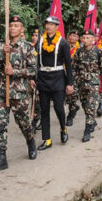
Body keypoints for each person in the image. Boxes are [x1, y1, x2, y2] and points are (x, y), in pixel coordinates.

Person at [0, 15, 37, 174]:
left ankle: (30, 141)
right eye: (11, 25)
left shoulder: (28, 47)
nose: (13, 28)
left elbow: (33, 70)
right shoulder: (1, 45)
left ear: (22, 29)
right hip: (1, 90)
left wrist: (14, 71)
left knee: (23, 122)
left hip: (19, 92)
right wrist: (2, 53)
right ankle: (1, 158)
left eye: (16, 25)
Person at [35, 16, 74, 150]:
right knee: (44, 110)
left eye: (52, 24)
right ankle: (47, 139)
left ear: (57, 27)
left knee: (58, 108)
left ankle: (63, 129)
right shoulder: (40, 41)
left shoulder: (63, 43)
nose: (48, 26)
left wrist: (70, 83)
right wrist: (34, 79)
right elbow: (35, 62)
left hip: (58, 78)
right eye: (47, 24)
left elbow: (68, 65)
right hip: (43, 78)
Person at [72, 30, 102, 142]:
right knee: (84, 105)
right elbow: (74, 68)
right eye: (84, 38)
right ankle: (92, 122)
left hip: (93, 84)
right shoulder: (79, 52)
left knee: (91, 106)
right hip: (81, 83)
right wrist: (73, 82)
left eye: (88, 38)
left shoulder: (98, 52)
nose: (85, 40)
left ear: (93, 39)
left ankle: (87, 131)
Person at [66, 30, 80, 126]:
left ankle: (70, 116)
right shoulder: (63, 46)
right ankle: (74, 107)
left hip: (75, 76)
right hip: (63, 74)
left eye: (74, 36)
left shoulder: (80, 49)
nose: (72, 37)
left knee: (72, 96)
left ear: (78, 38)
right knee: (65, 96)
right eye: (71, 35)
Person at [29, 27, 41, 131]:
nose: (34, 37)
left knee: (41, 102)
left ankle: (39, 120)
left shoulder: (43, 48)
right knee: (35, 101)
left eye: (36, 35)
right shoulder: (30, 48)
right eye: (33, 35)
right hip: (34, 78)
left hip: (44, 79)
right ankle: (34, 121)